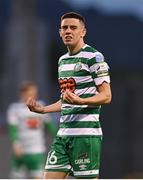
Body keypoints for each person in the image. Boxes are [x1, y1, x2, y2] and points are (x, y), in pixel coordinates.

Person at [26, 12, 112, 179]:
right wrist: (43, 109)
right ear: (59, 32)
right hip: (63, 135)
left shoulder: (94, 57)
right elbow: (66, 100)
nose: (68, 31)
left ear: (83, 32)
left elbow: (107, 96)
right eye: (64, 28)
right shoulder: (62, 61)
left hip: (86, 136)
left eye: (73, 27)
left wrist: (82, 101)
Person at [7, 81, 57, 179]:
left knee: (38, 177)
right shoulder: (15, 109)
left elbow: (50, 127)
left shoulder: (41, 106)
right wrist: (16, 144)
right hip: (21, 151)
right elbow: (13, 129)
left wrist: (61, 138)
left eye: (35, 93)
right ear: (23, 93)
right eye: (30, 94)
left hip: (36, 151)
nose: (33, 96)